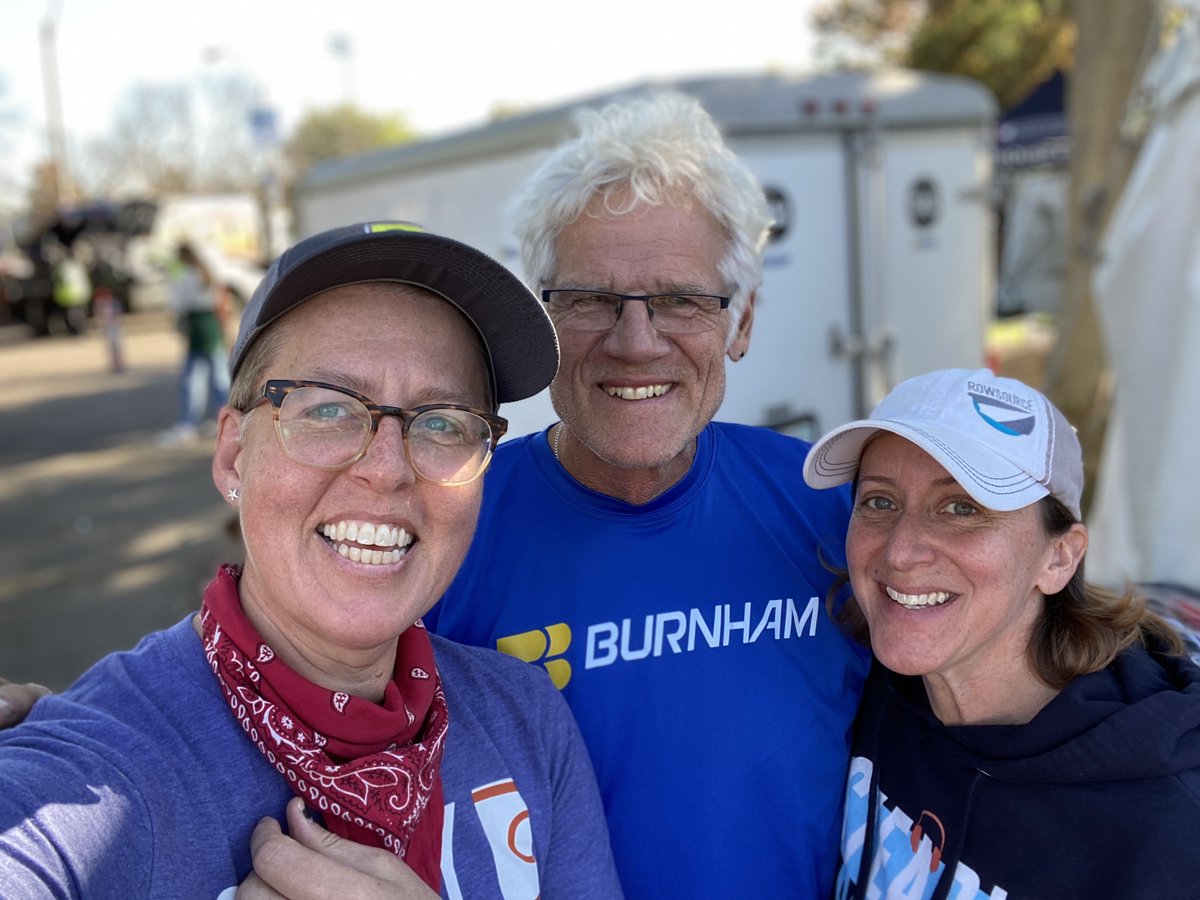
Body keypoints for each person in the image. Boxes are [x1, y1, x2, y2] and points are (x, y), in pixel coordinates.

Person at [0, 221, 622, 899]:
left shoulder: (524, 719)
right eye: (328, 409)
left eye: (443, 421)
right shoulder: (94, 777)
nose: (388, 469)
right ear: (234, 456)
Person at [423, 91, 871, 898]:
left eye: (679, 300)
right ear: (541, 320)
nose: (635, 342)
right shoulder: (451, 524)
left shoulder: (826, 507)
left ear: (741, 322)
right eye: (590, 299)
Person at [802, 367, 1200, 899]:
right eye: (879, 501)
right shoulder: (860, 685)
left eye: (961, 508)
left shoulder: (1168, 826)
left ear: (1059, 558)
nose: (900, 552)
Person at [158, 241, 233, 445]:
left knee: (193, 380)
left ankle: (188, 424)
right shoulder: (206, 273)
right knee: (219, 379)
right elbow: (221, 303)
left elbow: (178, 305)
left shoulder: (184, 275)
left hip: (197, 326)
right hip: (211, 326)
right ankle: (226, 421)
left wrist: (179, 325)